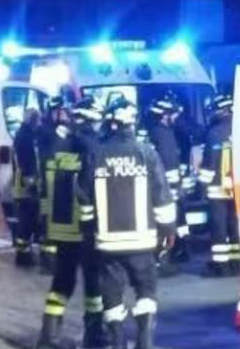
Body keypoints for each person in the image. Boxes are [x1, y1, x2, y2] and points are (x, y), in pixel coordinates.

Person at [79, 94, 176, 349]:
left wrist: (88, 230)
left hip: (108, 246)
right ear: (132, 124)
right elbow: (162, 196)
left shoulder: (96, 155)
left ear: (110, 123)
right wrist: (168, 231)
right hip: (143, 244)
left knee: (112, 298)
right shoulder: (147, 153)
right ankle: (145, 340)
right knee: (146, 292)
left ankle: (118, 341)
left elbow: (84, 198)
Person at [36, 98, 106, 349]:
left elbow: (46, 189)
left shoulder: (56, 145)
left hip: (61, 228)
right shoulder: (92, 147)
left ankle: (49, 336)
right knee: (94, 283)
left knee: (62, 282)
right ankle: (95, 335)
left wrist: (46, 230)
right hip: (85, 227)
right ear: (91, 119)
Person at [198, 93, 240, 276]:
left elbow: (208, 163)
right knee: (235, 226)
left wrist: (200, 187)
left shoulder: (214, 133)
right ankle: (236, 263)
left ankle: (221, 266)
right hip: (238, 189)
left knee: (219, 228)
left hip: (218, 190)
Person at [146, 92, 187, 271]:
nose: (175, 118)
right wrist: (176, 187)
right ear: (164, 115)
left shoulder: (157, 132)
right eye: (172, 114)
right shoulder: (163, 135)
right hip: (167, 188)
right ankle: (169, 252)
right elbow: (169, 163)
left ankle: (179, 248)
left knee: (176, 220)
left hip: (165, 186)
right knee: (169, 220)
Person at [38, 97, 68, 273]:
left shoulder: (55, 130)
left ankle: (55, 259)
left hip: (57, 183)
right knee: (48, 223)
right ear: (53, 112)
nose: (64, 114)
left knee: (56, 222)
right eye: (61, 111)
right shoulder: (47, 131)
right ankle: (48, 263)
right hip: (48, 183)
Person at [12, 107, 43, 267]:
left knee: (26, 222)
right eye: (38, 120)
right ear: (33, 120)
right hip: (26, 186)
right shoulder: (25, 137)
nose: (39, 124)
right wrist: (31, 184)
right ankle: (23, 257)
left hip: (23, 184)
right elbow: (26, 162)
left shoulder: (23, 134)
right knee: (26, 222)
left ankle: (24, 254)